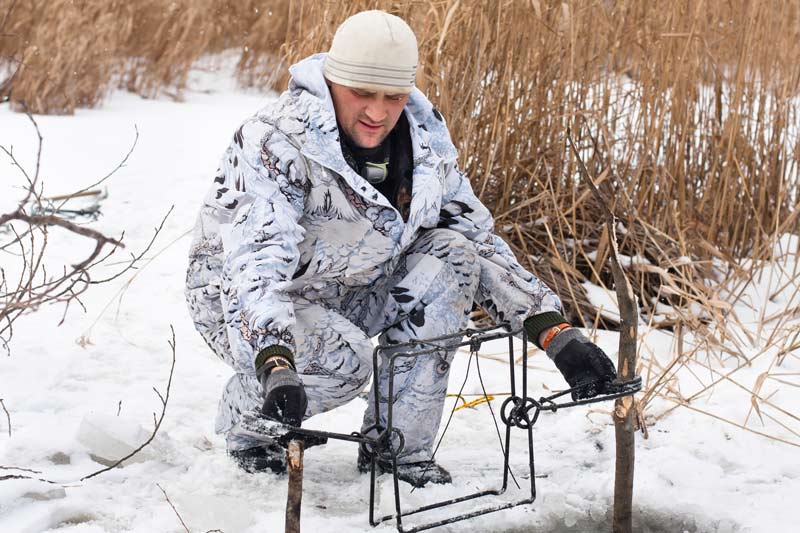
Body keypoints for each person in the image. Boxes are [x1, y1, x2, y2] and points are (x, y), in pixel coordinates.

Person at [185, 10, 617, 488]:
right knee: (340, 362)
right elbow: (257, 261)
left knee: (451, 255)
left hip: (352, 285)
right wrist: (274, 358)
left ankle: (395, 449)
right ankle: (247, 424)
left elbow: (472, 235)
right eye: (362, 95)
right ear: (331, 82)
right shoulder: (274, 141)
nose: (377, 112)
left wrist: (554, 333)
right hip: (244, 300)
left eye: (393, 97)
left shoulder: (425, 142)